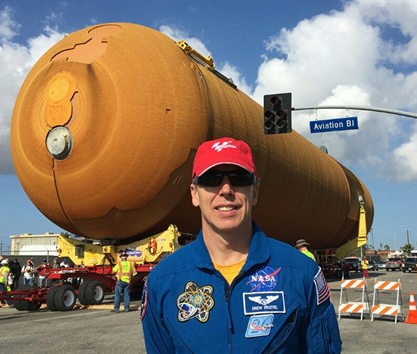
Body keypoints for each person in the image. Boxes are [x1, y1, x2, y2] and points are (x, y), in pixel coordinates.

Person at [141, 137, 342, 353]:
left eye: (239, 178)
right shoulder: (162, 281)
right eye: (211, 178)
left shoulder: (300, 273)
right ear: (194, 194)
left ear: (254, 192)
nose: (226, 189)